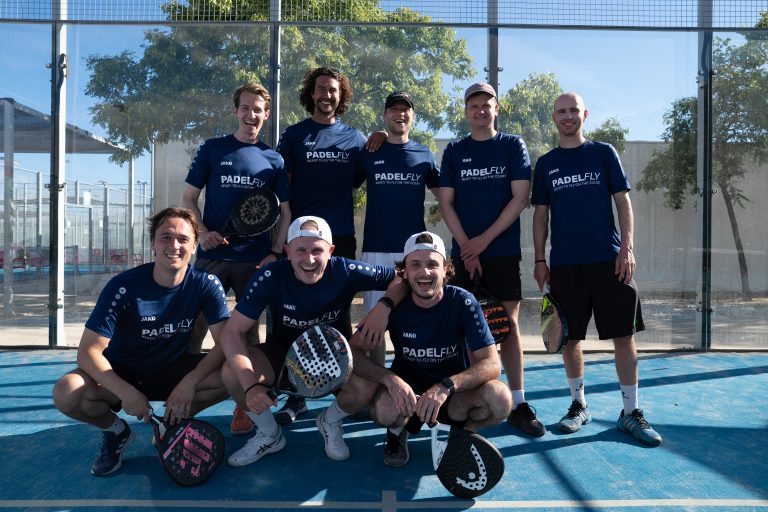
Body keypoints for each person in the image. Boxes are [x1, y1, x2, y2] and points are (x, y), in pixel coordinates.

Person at [52, 207, 231, 476]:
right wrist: (125, 392)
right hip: (122, 371)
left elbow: (225, 343)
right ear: (153, 244)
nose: (174, 245)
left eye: (183, 239)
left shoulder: (206, 284)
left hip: (172, 369)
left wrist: (191, 381)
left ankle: (173, 423)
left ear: (194, 246)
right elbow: (88, 351)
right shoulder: (123, 286)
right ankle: (116, 432)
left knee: (233, 374)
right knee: (67, 392)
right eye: (166, 237)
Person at [531, 92, 662, 447]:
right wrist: (540, 260)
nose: (568, 116)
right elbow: (541, 215)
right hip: (565, 267)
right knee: (570, 339)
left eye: (573, 110)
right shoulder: (546, 164)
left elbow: (623, 202)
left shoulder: (604, 153)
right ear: (554, 117)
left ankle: (630, 411)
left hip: (610, 262)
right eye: (561, 111)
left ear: (584, 114)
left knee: (624, 337)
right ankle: (579, 405)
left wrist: (626, 249)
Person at [219, 215, 404, 467]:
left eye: (317, 250)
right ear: (287, 251)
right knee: (232, 373)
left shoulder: (345, 270)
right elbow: (231, 332)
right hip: (283, 354)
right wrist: (250, 385)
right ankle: (270, 434)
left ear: (331, 251)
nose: (309, 259)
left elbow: (401, 277)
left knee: (367, 386)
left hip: (335, 356)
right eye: (301, 250)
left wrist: (384, 307)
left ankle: (329, 420)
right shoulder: (271, 274)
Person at [317, 231, 512, 466]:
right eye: (416, 264)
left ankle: (462, 436)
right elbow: (351, 354)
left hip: (452, 395)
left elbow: (492, 364)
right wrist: (389, 379)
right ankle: (397, 432)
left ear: (445, 270)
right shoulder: (391, 307)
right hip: (407, 396)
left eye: (432, 264)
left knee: (500, 399)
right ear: (405, 272)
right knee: (383, 410)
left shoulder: (463, 301)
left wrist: (446, 386)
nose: (425, 272)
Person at [274, 66, 383, 424]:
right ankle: (295, 394)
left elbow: (368, 168)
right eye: (321, 88)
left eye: (333, 89)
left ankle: (342, 385)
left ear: (341, 95)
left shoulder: (354, 138)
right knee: (294, 315)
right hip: (300, 240)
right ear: (312, 93)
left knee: (338, 314)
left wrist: (381, 136)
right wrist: (283, 240)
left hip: (339, 238)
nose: (327, 95)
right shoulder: (294, 135)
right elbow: (284, 190)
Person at [182, 83, 291, 436]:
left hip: (254, 261)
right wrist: (202, 232)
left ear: (266, 115)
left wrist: (275, 251)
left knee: (249, 332)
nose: (251, 114)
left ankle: (246, 404)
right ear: (235, 111)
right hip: (212, 256)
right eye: (245, 108)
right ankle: (183, 392)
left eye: (258, 109)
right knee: (196, 326)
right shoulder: (213, 149)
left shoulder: (273, 159)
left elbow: (285, 213)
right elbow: (188, 198)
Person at [437, 82, 544, 437]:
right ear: (466, 111)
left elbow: (520, 198)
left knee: (507, 326)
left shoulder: (512, 145)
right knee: (465, 329)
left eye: (487, 104)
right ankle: (470, 399)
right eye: (474, 105)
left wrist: (482, 242)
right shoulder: (455, 151)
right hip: (463, 255)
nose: (480, 110)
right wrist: (467, 247)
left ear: (496, 109)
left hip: (501, 253)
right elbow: (445, 203)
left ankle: (518, 402)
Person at [359, 91, 440, 365]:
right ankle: (379, 383)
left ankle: (414, 377)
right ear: (385, 115)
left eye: (405, 110)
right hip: (375, 250)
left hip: (413, 254)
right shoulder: (370, 152)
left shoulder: (424, 154)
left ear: (413, 116)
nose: (400, 114)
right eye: (394, 109)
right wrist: (379, 135)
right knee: (374, 326)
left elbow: (446, 198)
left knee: (414, 318)